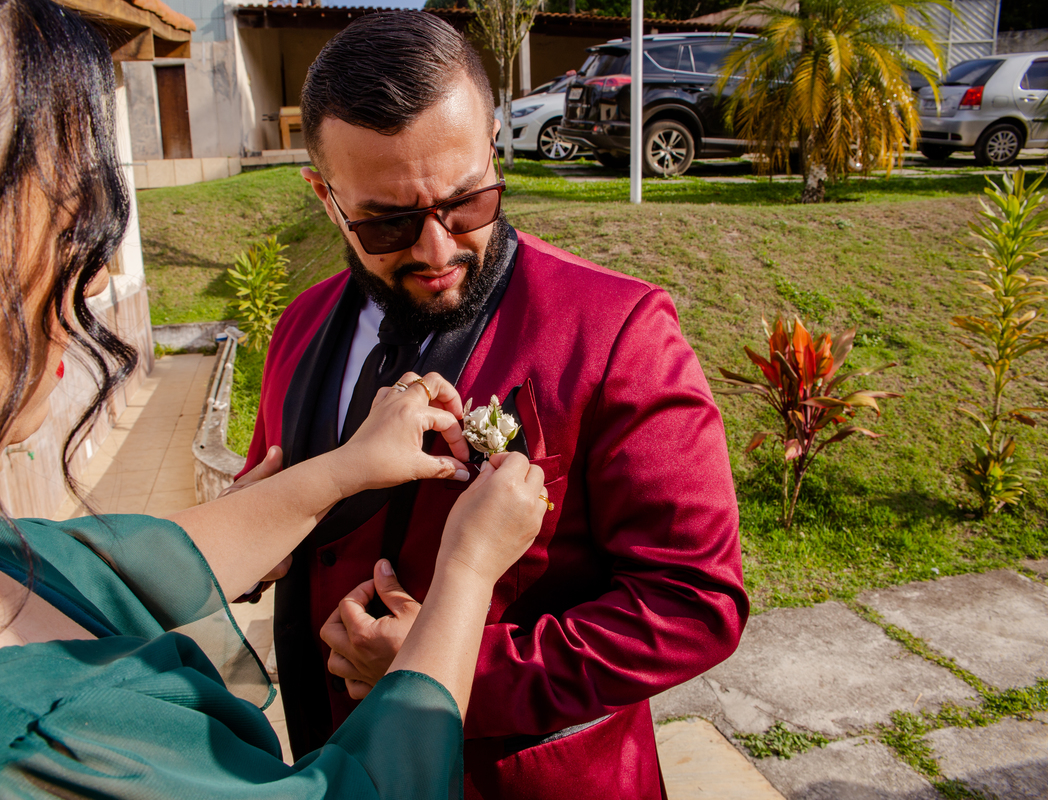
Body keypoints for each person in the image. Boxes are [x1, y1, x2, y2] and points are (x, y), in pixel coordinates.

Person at [0, 2, 550, 798]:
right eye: (68, 240)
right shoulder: (22, 761)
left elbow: (121, 566)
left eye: (466, 201)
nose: (102, 280)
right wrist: (467, 571)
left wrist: (342, 471)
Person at [237, 11, 750, 800]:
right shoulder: (299, 328)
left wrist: (455, 668)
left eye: (468, 202)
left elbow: (695, 604)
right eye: (387, 222)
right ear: (326, 198)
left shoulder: (619, 332)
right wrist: (247, 538)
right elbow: (266, 496)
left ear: (493, 151)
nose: (438, 250)